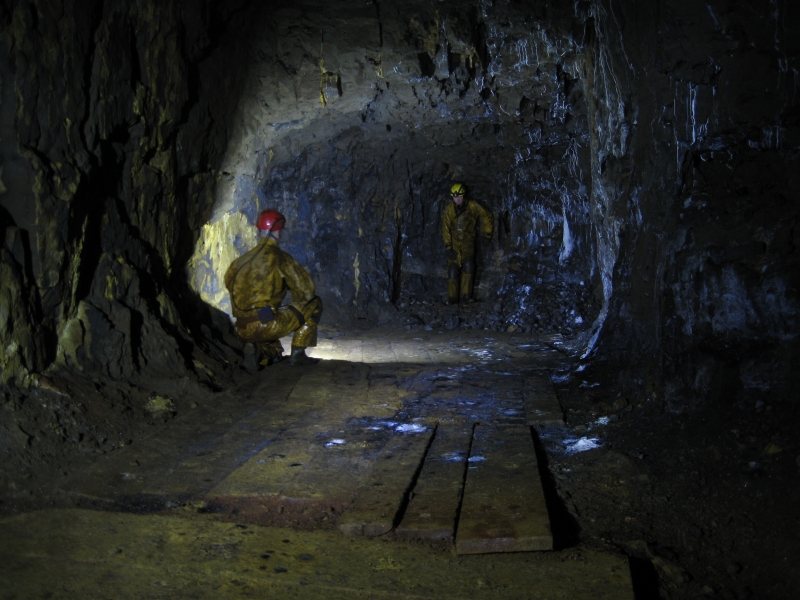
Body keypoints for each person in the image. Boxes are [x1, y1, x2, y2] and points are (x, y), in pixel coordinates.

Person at [224, 209, 322, 371]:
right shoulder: (278, 257)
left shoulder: (239, 262)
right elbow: (306, 290)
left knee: (266, 322)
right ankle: (298, 354)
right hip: (267, 325)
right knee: (315, 303)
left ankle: (263, 352)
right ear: (277, 230)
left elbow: (231, 287)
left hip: (242, 327)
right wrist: (290, 299)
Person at [441, 183, 494, 305]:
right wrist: (448, 246)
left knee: (469, 266)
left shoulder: (472, 206)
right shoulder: (449, 209)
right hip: (454, 243)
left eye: (460, 197)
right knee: (453, 269)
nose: (458, 199)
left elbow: (487, 215)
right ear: (452, 197)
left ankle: (466, 296)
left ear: (464, 195)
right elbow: (445, 228)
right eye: (455, 197)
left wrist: (487, 233)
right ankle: (452, 298)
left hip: (468, 243)